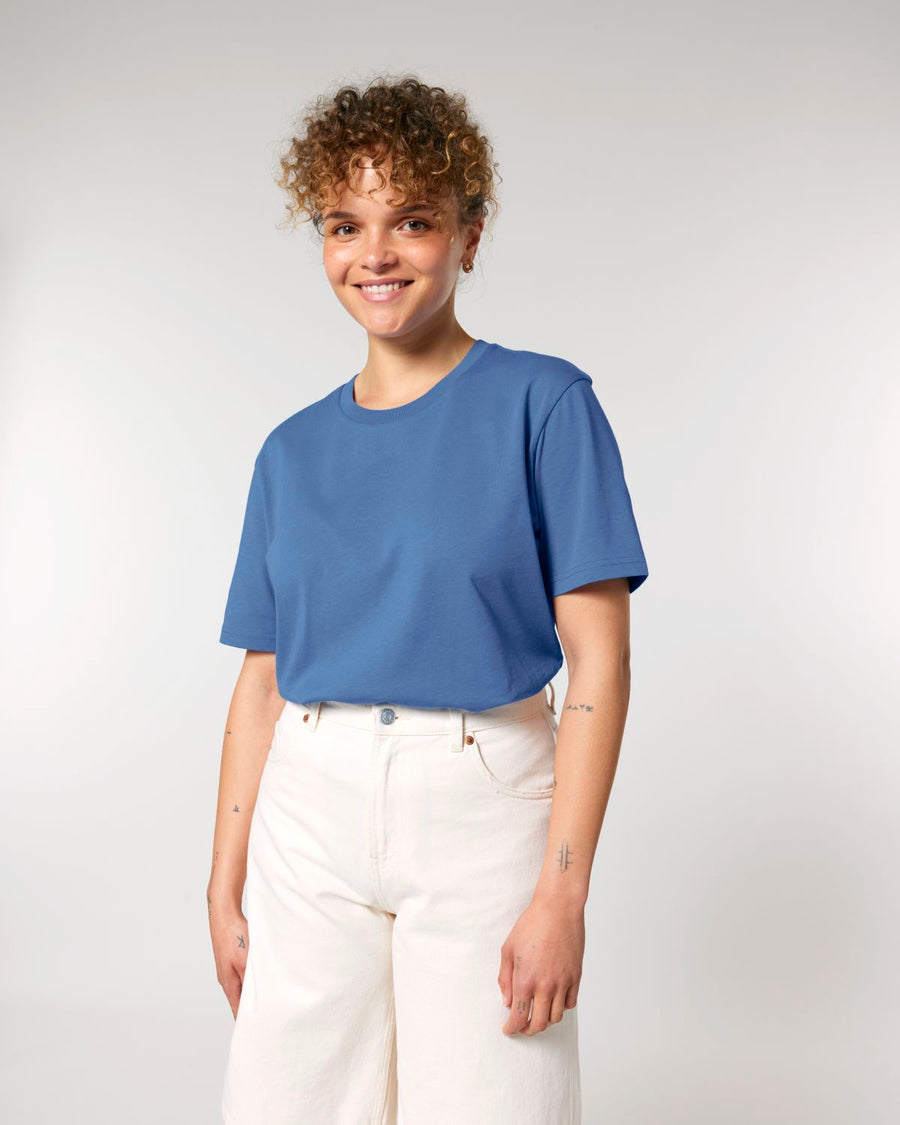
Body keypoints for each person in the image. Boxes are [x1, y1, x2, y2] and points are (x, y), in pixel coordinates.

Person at [207, 74, 649, 1125]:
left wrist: (563, 894)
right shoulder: (290, 450)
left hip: (484, 798)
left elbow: (600, 662)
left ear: (470, 233)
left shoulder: (544, 403)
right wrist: (222, 883)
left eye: (412, 220)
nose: (376, 254)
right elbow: (262, 678)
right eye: (344, 224)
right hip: (307, 806)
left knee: (495, 1104)